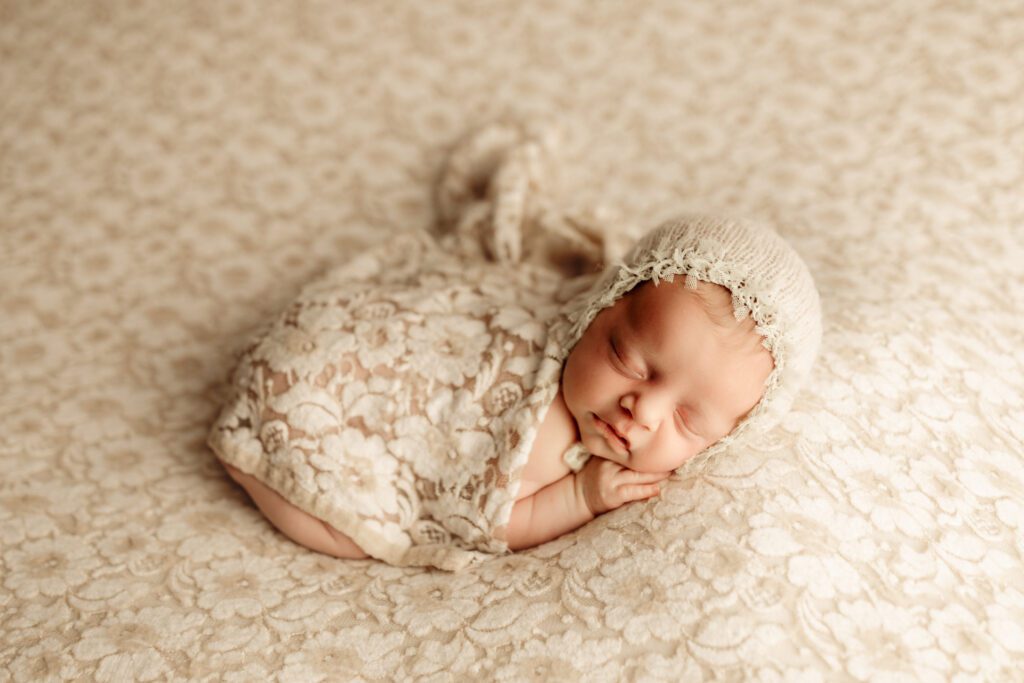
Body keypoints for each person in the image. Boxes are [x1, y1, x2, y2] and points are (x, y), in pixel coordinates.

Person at [209, 122, 822, 571]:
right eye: (626, 359)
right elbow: (487, 521)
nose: (644, 410)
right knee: (351, 531)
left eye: (689, 420)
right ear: (600, 303)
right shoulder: (541, 442)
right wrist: (578, 496)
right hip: (317, 399)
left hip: (322, 354)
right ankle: (256, 459)